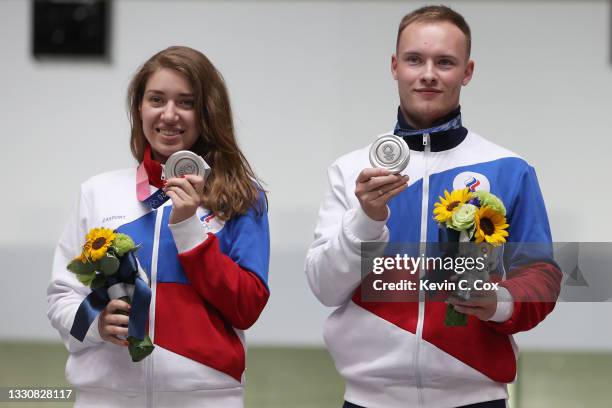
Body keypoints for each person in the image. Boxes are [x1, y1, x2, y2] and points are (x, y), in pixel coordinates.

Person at [305, 5, 561, 408]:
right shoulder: (352, 170)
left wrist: (499, 303)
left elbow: (542, 279)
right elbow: (324, 287)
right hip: (370, 399)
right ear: (394, 67)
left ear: (467, 71)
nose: (427, 74)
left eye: (444, 62)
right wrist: (366, 221)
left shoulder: (510, 170)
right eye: (414, 60)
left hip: (477, 397)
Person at [47, 46, 269, 407]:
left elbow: (247, 308)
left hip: (206, 398)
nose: (169, 114)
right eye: (156, 99)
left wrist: (190, 231)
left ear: (207, 111)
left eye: (186, 102)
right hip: (105, 398)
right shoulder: (97, 193)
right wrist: (94, 324)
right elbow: (62, 296)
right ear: (140, 108)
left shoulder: (243, 198)